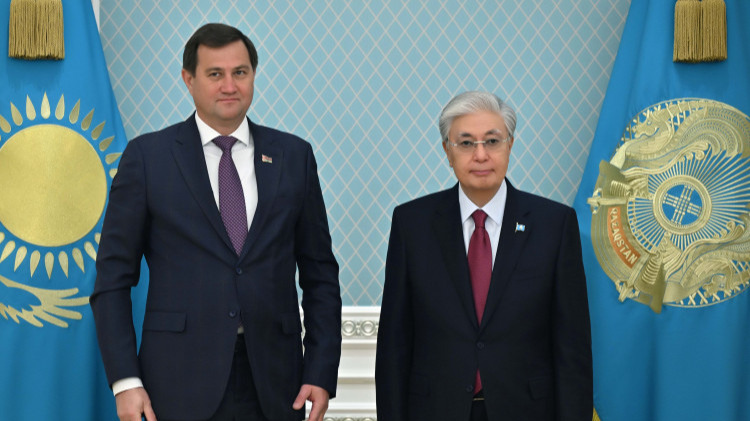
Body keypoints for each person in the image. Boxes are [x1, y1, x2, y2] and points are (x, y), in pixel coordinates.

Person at [90, 23, 341, 421]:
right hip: (175, 383)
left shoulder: (294, 156)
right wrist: (125, 381)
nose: (229, 86)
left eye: (240, 72)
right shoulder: (148, 159)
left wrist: (321, 371)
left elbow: (320, 274)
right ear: (188, 79)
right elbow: (112, 280)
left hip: (277, 384)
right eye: (215, 74)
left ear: (253, 75)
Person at [375, 91, 592, 421]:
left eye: (492, 141)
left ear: (510, 145)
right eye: (466, 143)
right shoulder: (412, 224)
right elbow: (394, 345)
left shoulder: (554, 225)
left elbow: (572, 349)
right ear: (447, 151)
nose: (480, 155)